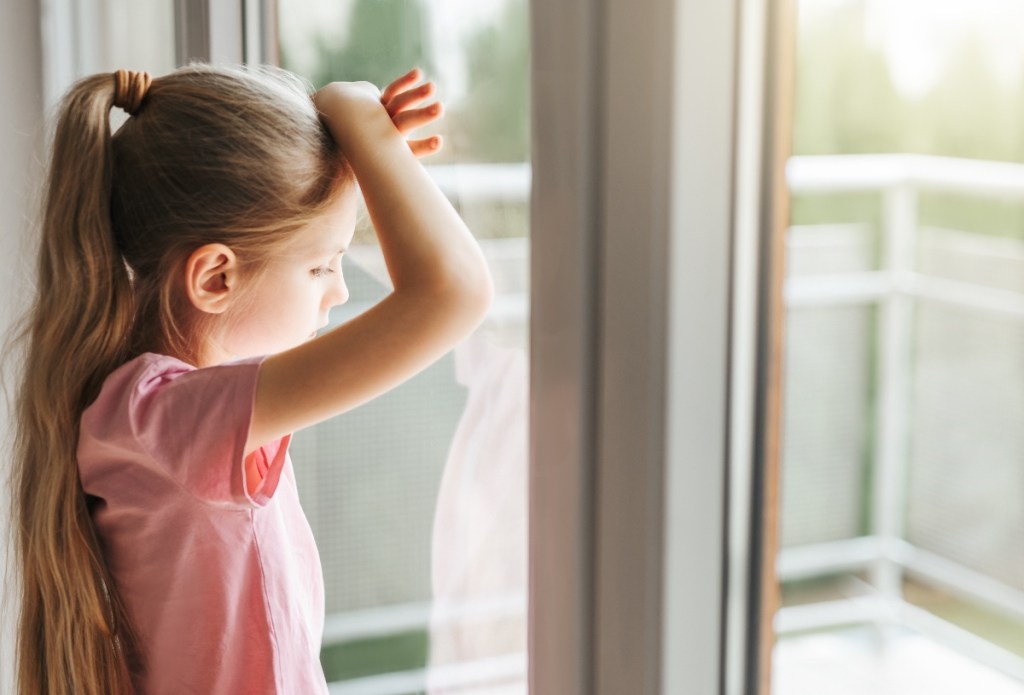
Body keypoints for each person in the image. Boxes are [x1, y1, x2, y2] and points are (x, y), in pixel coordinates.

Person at [10, 63, 493, 695]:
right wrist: (351, 112)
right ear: (215, 278)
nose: (340, 291)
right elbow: (450, 293)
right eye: (322, 266)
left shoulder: (154, 418)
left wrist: (359, 158)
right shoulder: (170, 425)